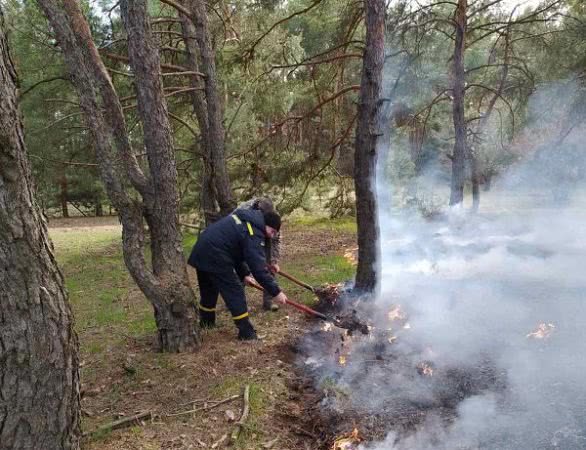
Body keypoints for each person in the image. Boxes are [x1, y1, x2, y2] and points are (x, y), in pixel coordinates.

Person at [187, 208, 288, 340]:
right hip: (215, 254)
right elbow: (258, 268)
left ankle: (207, 324)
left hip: (202, 250)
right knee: (235, 292)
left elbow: (235, 251)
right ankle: (246, 334)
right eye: (272, 231)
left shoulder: (247, 221)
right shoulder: (254, 231)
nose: (271, 235)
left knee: (209, 290)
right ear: (266, 224)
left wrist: (244, 274)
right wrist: (276, 292)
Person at [236, 197, 281, 311]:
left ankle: (268, 302)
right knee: (241, 268)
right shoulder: (244, 211)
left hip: (264, 235)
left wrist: (274, 261)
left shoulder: (273, 218)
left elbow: (275, 240)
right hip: (244, 236)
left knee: (268, 266)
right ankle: (238, 303)